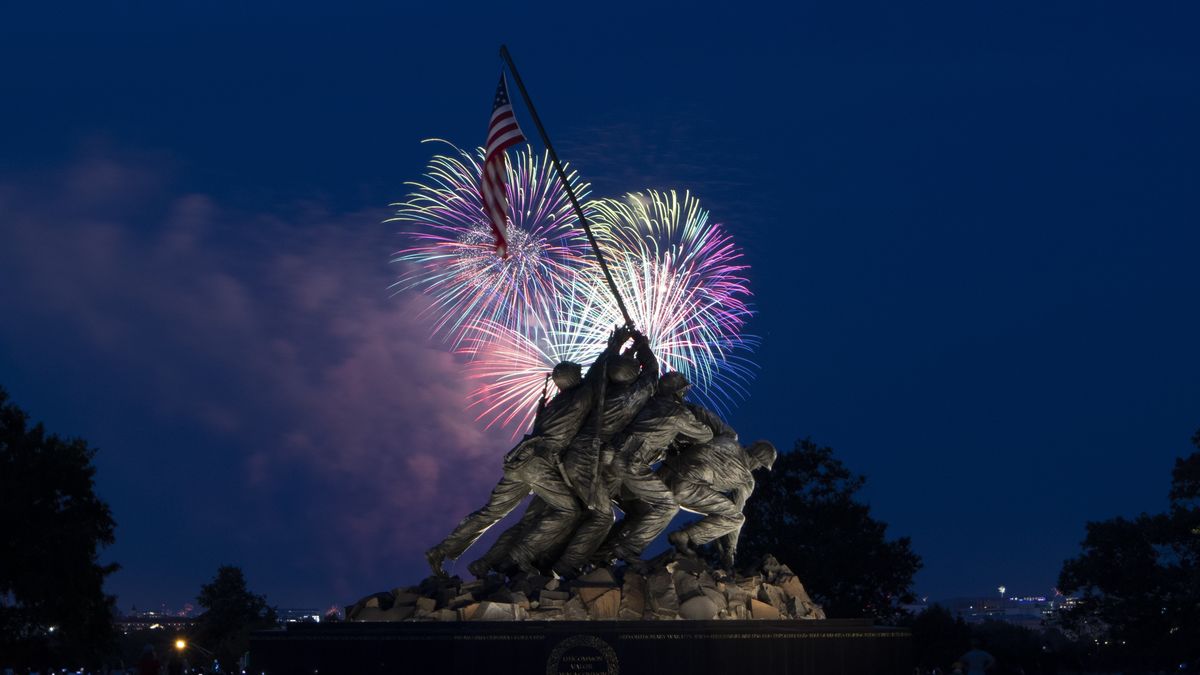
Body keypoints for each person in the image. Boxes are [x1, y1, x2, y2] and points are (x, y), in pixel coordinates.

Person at [423, 326, 631, 576]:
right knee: (569, 510)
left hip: (518, 461)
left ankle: (441, 550)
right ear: (575, 379)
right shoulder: (581, 396)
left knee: (490, 512)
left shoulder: (553, 404)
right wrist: (615, 345)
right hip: (538, 464)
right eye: (579, 374)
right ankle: (520, 556)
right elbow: (599, 374)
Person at [547, 327, 659, 576]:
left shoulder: (600, 391)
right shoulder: (632, 396)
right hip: (588, 459)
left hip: (595, 460)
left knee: (636, 510)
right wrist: (643, 347)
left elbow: (599, 371)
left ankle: (597, 558)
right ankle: (562, 569)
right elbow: (652, 373)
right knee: (602, 516)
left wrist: (618, 348)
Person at [592, 371, 714, 564]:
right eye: (683, 393)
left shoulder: (646, 403)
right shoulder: (677, 412)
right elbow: (704, 435)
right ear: (678, 393)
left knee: (640, 510)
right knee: (667, 505)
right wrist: (698, 416)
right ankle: (628, 548)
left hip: (611, 462)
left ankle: (599, 556)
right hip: (631, 463)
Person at [660, 404, 777, 569]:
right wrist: (729, 550)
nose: (757, 468)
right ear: (759, 462)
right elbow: (735, 511)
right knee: (736, 518)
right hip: (684, 489)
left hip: (665, 473)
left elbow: (702, 412)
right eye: (760, 466)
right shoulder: (746, 480)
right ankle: (685, 536)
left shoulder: (729, 436)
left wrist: (677, 399)